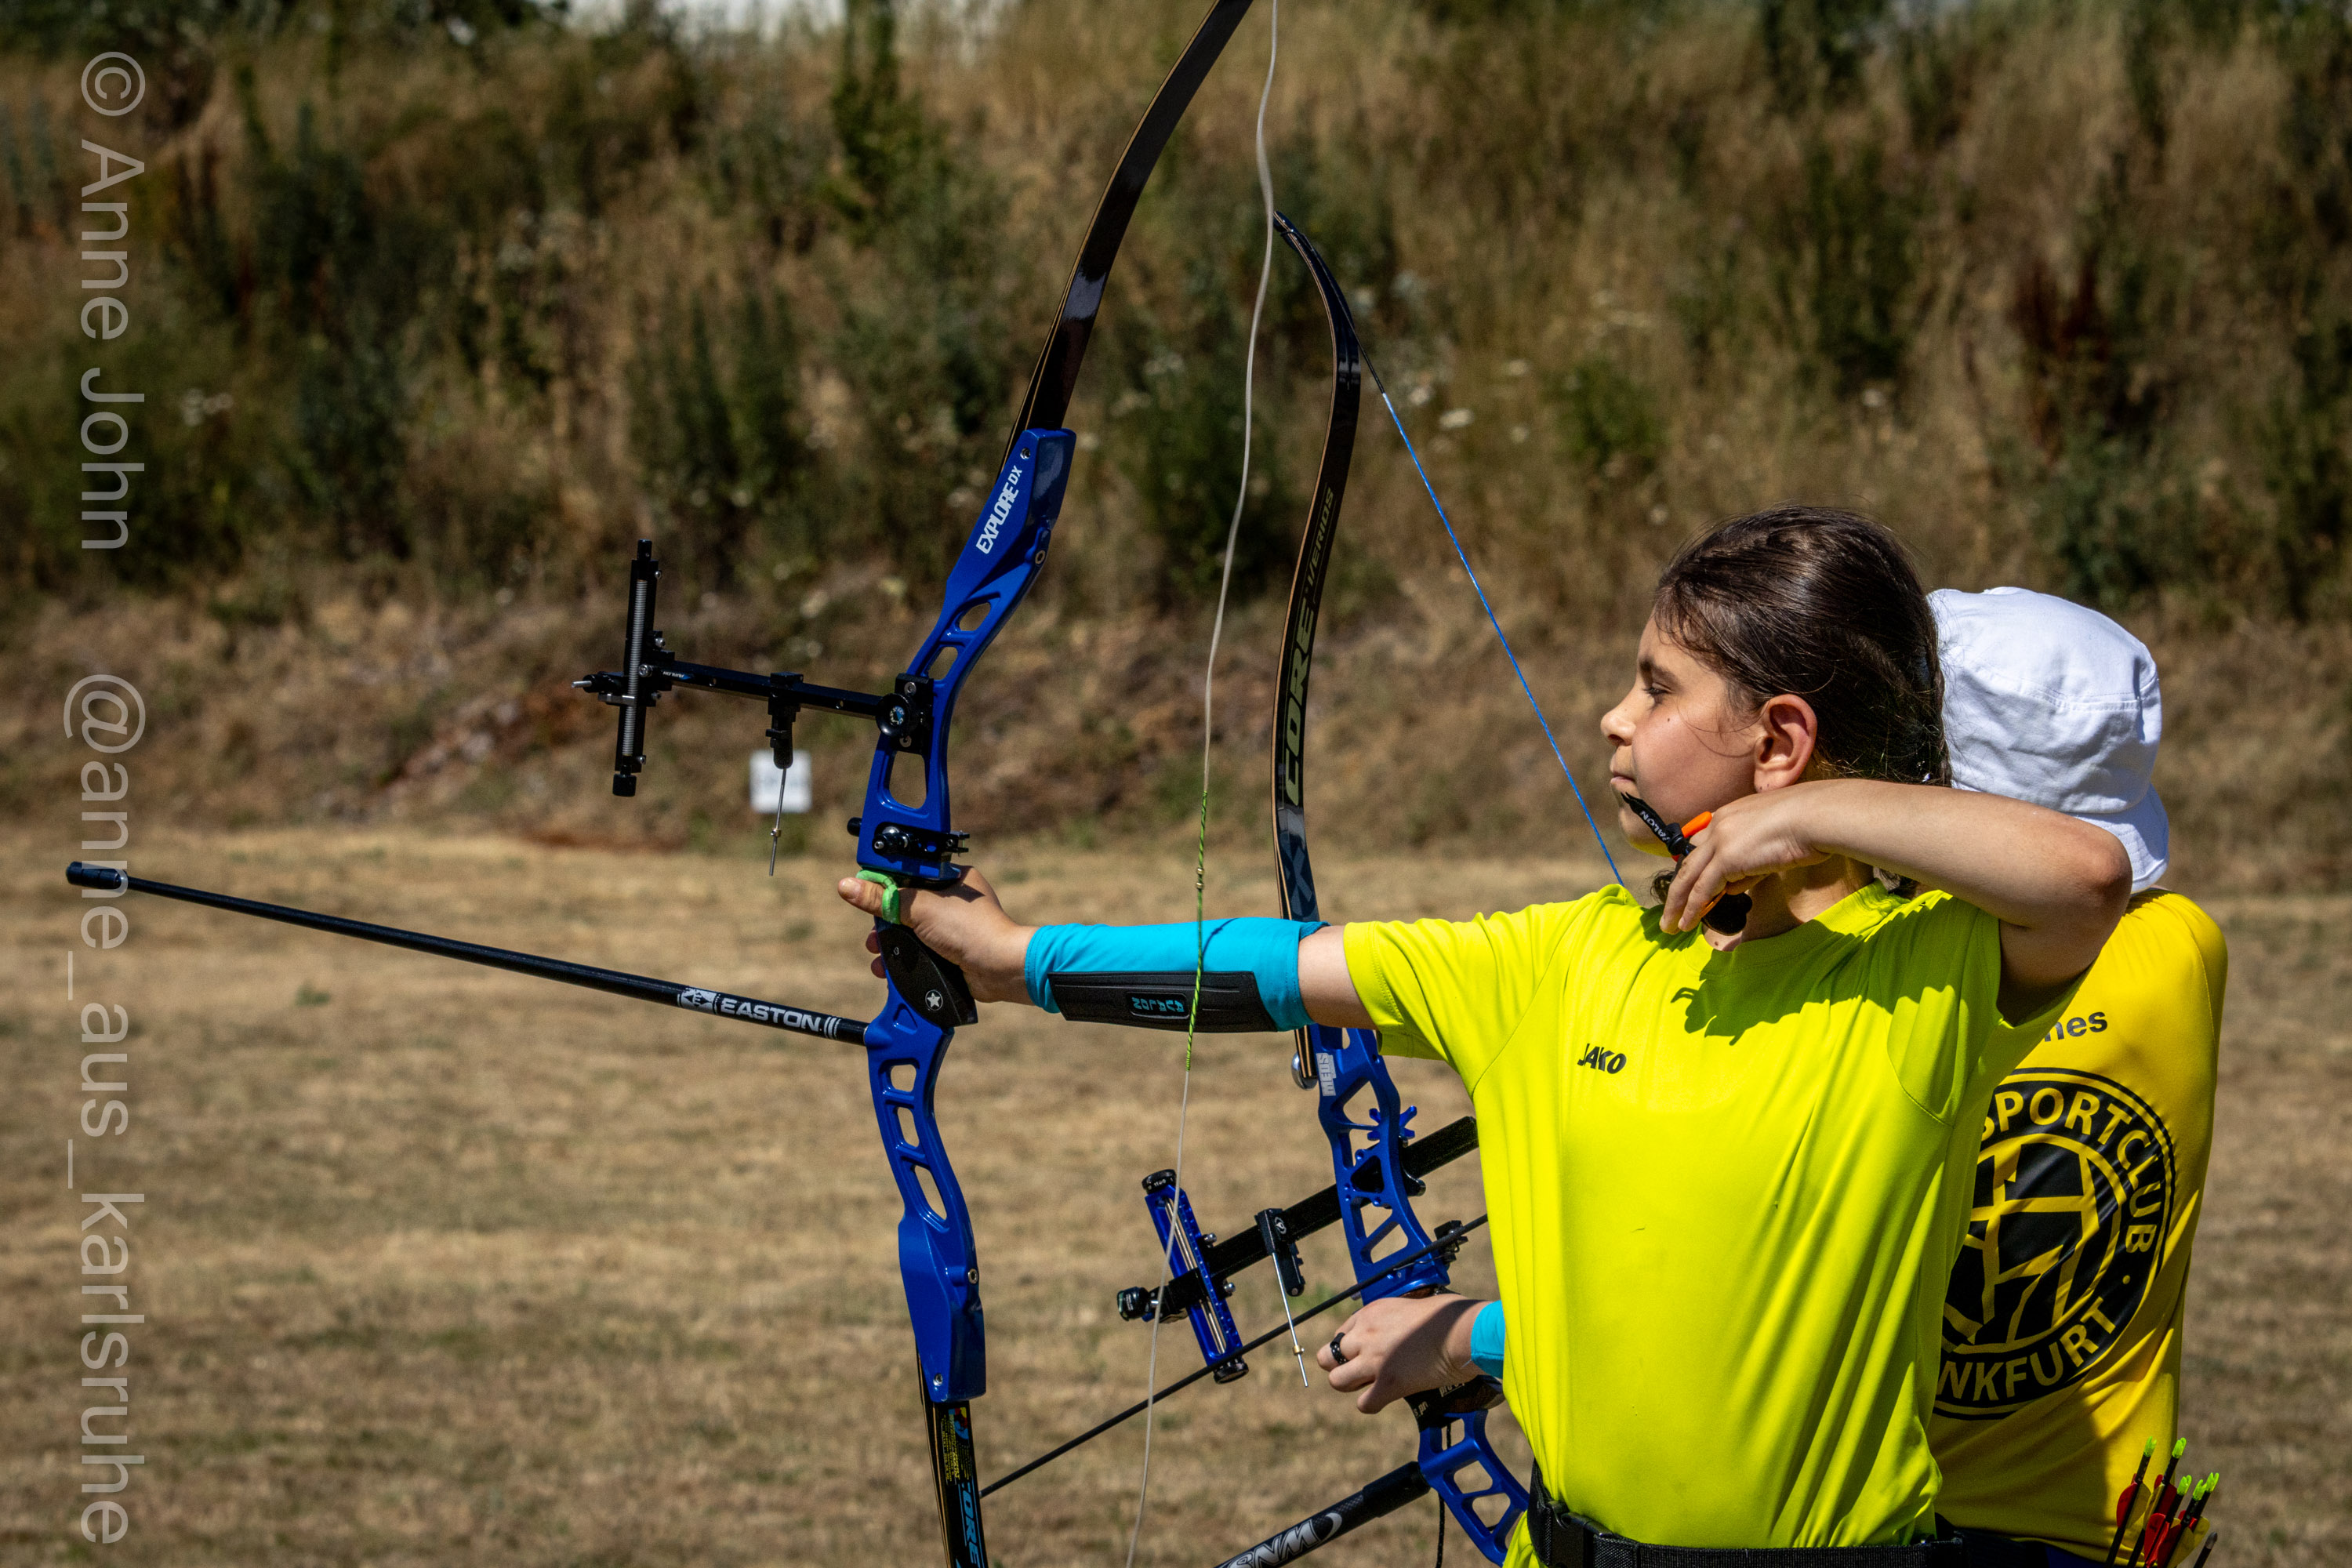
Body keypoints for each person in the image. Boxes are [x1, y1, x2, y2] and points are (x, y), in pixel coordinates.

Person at [837, 507, 2132, 1562]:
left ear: (1781, 739)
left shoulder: (1927, 972)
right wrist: (1020, 963)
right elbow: (1273, 966)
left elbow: (2085, 877)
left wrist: (1807, 821)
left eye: (1657, 689)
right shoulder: (1559, 962)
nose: (1615, 717)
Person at [1321, 586, 2223, 1568]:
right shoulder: (2181, 950)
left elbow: (1737, 1325)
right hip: (2116, 1530)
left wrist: (1468, 1335)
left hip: (1907, 1527)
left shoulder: (1929, 985)